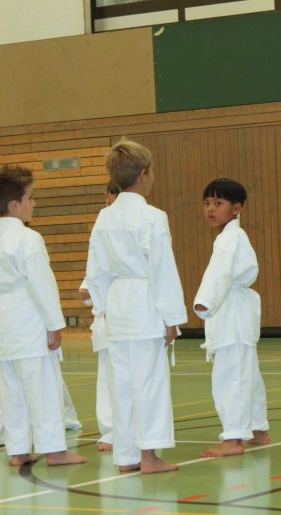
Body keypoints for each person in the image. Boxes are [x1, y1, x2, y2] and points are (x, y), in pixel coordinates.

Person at [84, 140, 186, 474]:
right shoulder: (153, 217)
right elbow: (162, 269)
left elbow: (96, 271)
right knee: (150, 384)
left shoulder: (104, 217)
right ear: (144, 174)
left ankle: (126, 456)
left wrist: (103, 307)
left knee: (122, 385)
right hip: (145, 303)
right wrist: (171, 318)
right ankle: (149, 457)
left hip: (116, 306)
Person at [0, 165, 86, 466]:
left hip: (2, 323)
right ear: (15, 205)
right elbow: (41, 285)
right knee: (43, 389)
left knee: (11, 391)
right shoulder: (29, 239)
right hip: (29, 319)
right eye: (31, 197)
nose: (34, 203)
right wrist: (54, 324)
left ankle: (18, 450)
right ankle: (55, 451)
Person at [194, 178, 270, 458]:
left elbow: (220, 273)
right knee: (247, 375)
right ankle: (258, 429)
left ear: (236, 208)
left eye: (218, 203)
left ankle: (234, 438)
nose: (210, 209)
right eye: (206, 203)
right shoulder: (231, 236)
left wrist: (204, 301)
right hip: (237, 314)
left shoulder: (230, 238)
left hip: (231, 314)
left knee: (231, 377)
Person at [78, 181, 120, 453]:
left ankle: (129, 430)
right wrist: (87, 287)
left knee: (127, 377)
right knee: (107, 376)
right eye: (108, 201)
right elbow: (94, 265)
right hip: (105, 314)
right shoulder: (101, 223)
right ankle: (110, 431)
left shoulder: (144, 221)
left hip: (129, 306)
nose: (110, 206)